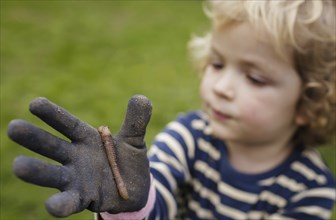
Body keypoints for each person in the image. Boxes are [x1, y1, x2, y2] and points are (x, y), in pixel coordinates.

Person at [8, 0, 335, 219]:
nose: (221, 86)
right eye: (217, 63)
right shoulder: (189, 137)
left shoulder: (311, 190)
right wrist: (131, 204)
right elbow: (155, 195)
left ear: (308, 102)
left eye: (254, 77)